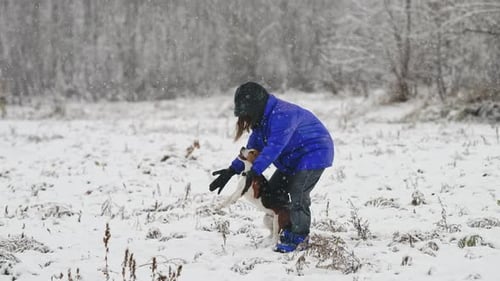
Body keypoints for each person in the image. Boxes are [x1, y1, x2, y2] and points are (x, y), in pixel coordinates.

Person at [209, 82, 334, 253]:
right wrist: (232, 170)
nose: (245, 120)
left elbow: (273, 148)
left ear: (256, 107)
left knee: (298, 192)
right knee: (274, 192)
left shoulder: (283, 115)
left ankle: (300, 237)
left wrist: (255, 171)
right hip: (292, 158)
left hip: (314, 153)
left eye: (247, 114)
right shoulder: (261, 122)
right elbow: (252, 148)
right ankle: (286, 227)